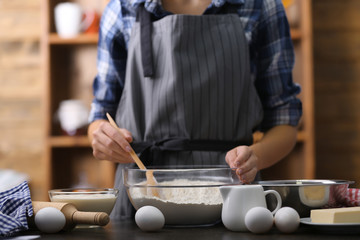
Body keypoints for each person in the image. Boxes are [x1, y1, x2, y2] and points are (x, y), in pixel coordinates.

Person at [87, 0, 302, 220]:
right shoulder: (121, 9)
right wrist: (102, 138)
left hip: (232, 192)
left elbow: (284, 122)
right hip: (140, 196)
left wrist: (255, 158)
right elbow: (101, 114)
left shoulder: (261, 6)